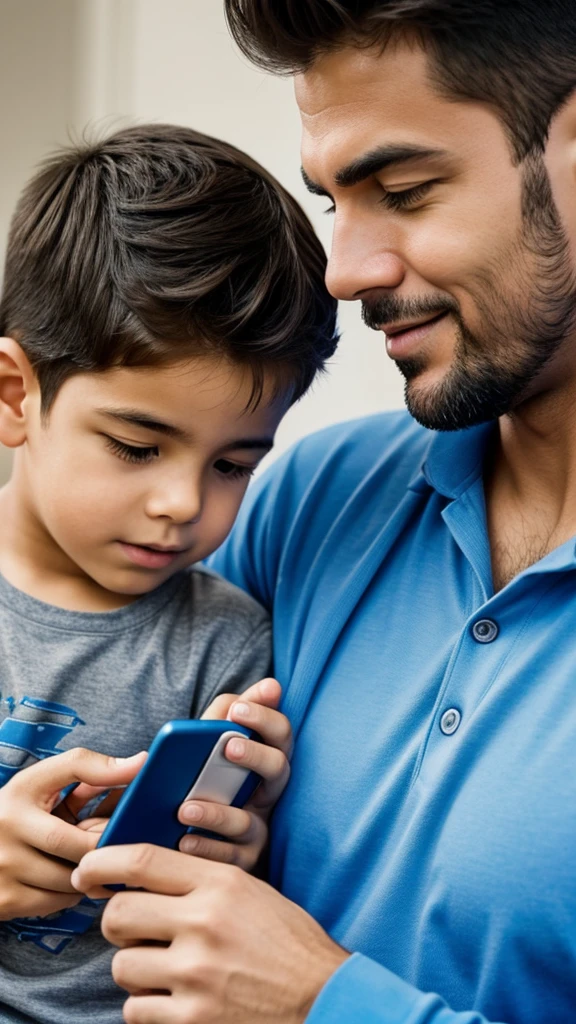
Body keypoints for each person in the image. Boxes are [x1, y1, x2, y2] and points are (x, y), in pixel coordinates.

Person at [70, 2, 576, 1022]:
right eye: (338, 203)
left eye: (404, 191)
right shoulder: (304, 498)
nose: (347, 270)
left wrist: (323, 1005)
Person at [0, 122, 337, 1023]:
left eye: (233, 465)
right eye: (138, 446)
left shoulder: (230, 643)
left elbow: (225, 903)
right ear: (14, 395)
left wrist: (236, 842)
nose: (183, 504)